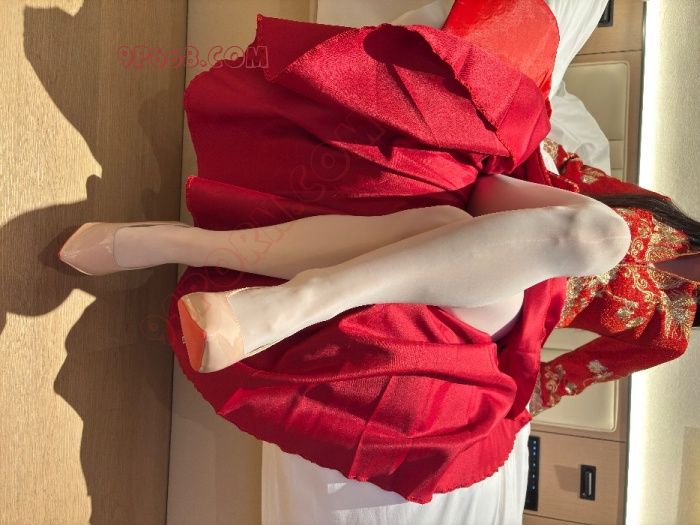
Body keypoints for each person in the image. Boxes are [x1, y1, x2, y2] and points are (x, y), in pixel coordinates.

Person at [56, 0, 698, 521]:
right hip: (530, 202)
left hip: (516, 299)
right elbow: (585, 182)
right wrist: (549, 156)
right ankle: (281, 297)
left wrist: (513, 407)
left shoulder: (669, 336)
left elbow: (564, 379)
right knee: (603, 235)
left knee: (450, 233)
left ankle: (181, 246)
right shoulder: (671, 216)